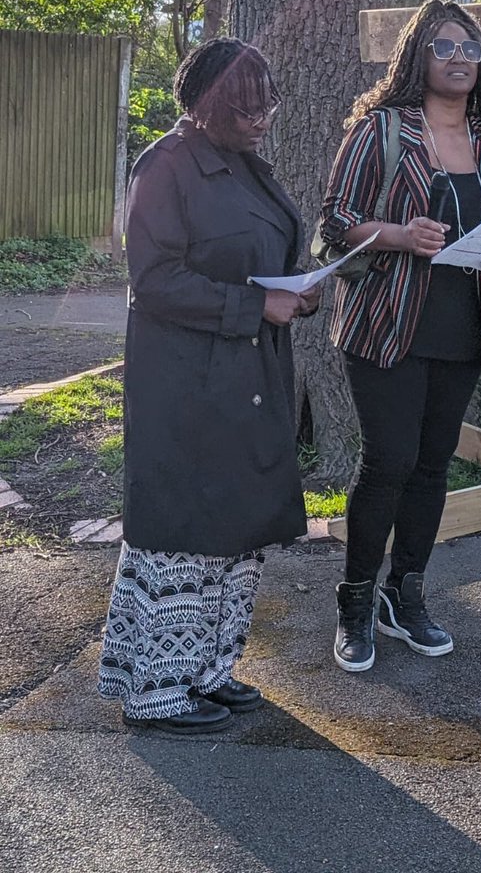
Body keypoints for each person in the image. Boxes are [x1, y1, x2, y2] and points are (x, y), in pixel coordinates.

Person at [98, 37, 320, 735]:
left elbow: (265, 251)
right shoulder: (164, 165)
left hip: (245, 374)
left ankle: (207, 672)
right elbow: (152, 281)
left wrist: (299, 291)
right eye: (245, 107)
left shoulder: (245, 165)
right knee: (184, 532)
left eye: (268, 105)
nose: (261, 118)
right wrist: (256, 306)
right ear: (204, 103)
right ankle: (155, 693)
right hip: (185, 383)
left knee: (234, 529)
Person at [318, 0, 481, 673]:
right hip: (386, 323)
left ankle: (403, 595)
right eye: (444, 48)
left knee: (431, 467)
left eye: (470, 50)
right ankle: (354, 604)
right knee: (388, 461)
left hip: (464, 328)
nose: (459, 60)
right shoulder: (382, 130)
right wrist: (397, 234)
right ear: (419, 56)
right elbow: (335, 220)